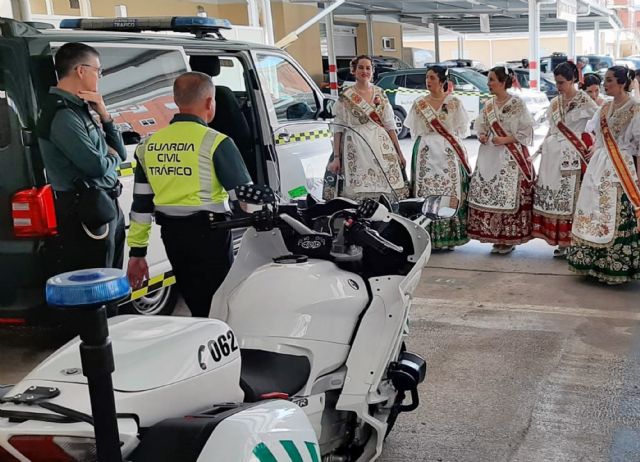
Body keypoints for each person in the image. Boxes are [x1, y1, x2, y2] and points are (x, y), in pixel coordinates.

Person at [127, 72, 252, 317]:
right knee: (219, 304)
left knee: (194, 300)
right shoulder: (216, 142)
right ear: (209, 103)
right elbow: (246, 201)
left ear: (176, 100)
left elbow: (140, 206)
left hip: (173, 237)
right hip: (211, 236)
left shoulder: (149, 144)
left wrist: (137, 253)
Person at [37, 42, 127, 274]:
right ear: (81, 70)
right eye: (98, 70)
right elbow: (96, 166)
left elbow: (121, 152)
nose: (99, 76)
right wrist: (113, 159)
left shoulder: (80, 108)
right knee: (99, 281)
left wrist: (104, 115)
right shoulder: (62, 114)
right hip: (86, 210)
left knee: (113, 278)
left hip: (105, 204)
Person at [568, 66, 640, 284]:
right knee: (593, 211)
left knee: (613, 213)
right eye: (604, 80)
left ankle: (614, 266)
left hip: (620, 166)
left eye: (609, 80)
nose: (604, 85)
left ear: (621, 83)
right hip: (599, 164)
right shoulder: (604, 108)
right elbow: (597, 137)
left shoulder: (635, 109)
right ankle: (593, 263)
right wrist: (595, 149)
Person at [532, 62, 598, 257]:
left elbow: (599, 124)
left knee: (572, 198)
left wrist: (595, 145)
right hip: (553, 156)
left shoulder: (585, 100)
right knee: (556, 197)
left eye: (561, 82)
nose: (558, 86)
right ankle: (561, 241)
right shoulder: (555, 103)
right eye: (556, 82)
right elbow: (551, 129)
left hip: (573, 155)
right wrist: (539, 150)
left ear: (573, 80)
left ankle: (573, 241)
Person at [467, 66, 535, 254]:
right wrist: (481, 134)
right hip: (489, 155)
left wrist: (506, 139)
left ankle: (508, 238)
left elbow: (526, 132)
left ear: (503, 82)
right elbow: (480, 125)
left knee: (506, 194)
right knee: (491, 194)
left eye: (491, 79)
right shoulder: (488, 105)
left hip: (509, 157)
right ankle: (494, 236)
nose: (488, 83)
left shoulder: (517, 104)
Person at [403, 65, 471, 250]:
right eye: (427, 77)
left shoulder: (454, 102)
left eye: (432, 77)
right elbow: (415, 130)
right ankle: (428, 235)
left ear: (442, 81)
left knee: (449, 191)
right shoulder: (419, 103)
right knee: (426, 191)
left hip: (448, 150)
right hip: (426, 150)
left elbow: (461, 130)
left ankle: (449, 234)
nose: (428, 81)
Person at [324, 55, 408, 201]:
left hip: (381, 146)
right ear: (354, 71)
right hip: (355, 146)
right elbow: (338, 129)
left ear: (372, 71)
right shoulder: (346, 96)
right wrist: (336, 157)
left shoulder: (380, 93)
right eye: (361, 68)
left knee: (386, 190)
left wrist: (399, 152)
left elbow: (389, 125)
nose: (365, 71)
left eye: (368, 68)